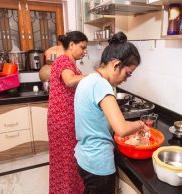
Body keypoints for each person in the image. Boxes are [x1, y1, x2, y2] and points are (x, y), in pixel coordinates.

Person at [74, 31, 149, 194]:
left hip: (83, 156)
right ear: (116, 64)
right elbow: (121, 129)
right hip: (98, 162)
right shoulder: (102, 85)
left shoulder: (86, 80)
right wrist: (140, 125)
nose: (126, 79)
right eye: (127, 73)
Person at [47, 31, 88, 194]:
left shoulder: (71, 63)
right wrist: (94, 76)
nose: (85, 51)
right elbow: (70, 81)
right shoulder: (63, 60)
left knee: (68, 159)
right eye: (83, 47)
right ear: (71, 45)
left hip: (66, 118)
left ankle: (71, 189)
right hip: (62, 119)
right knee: (66, 160)